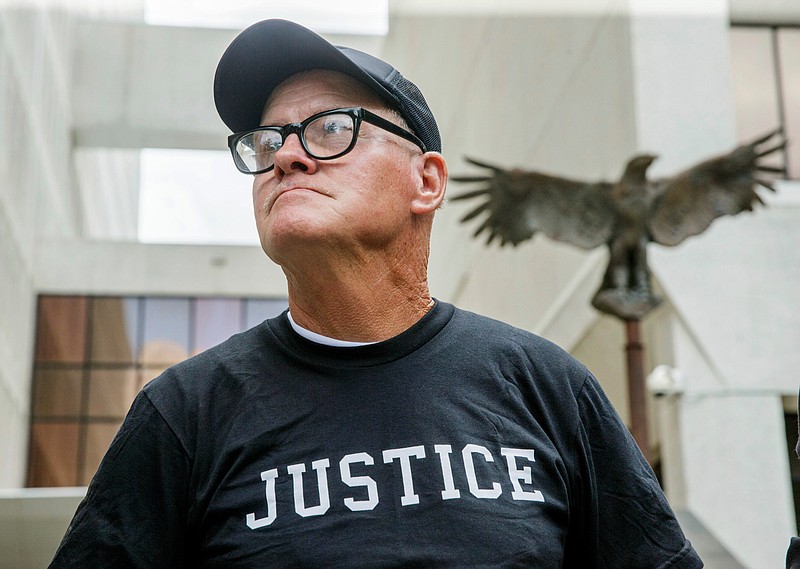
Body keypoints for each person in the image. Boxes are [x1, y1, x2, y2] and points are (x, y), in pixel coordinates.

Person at [49, 18, 702, 568]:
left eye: (331, 129)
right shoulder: (182, 415)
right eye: (266, 140)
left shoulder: (548, 389)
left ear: (427, 181)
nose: (285, 157)